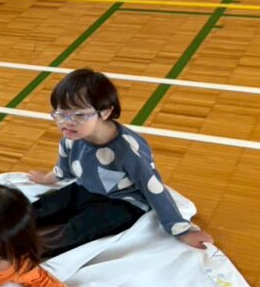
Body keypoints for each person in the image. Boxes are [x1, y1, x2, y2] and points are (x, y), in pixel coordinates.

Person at [28, 69, 213, 256]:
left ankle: (17, 255)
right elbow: (65, 168)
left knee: (75, 231)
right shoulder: (71, 137)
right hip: (86, 190)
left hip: (123, 203)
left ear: (105, 112)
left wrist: (182, 230)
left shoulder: (128, 151)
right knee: (41, 208)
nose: (66, 122)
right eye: (60, 114)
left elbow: (154, 189)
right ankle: (0, 231)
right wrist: (46, 178)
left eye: (79, 115)